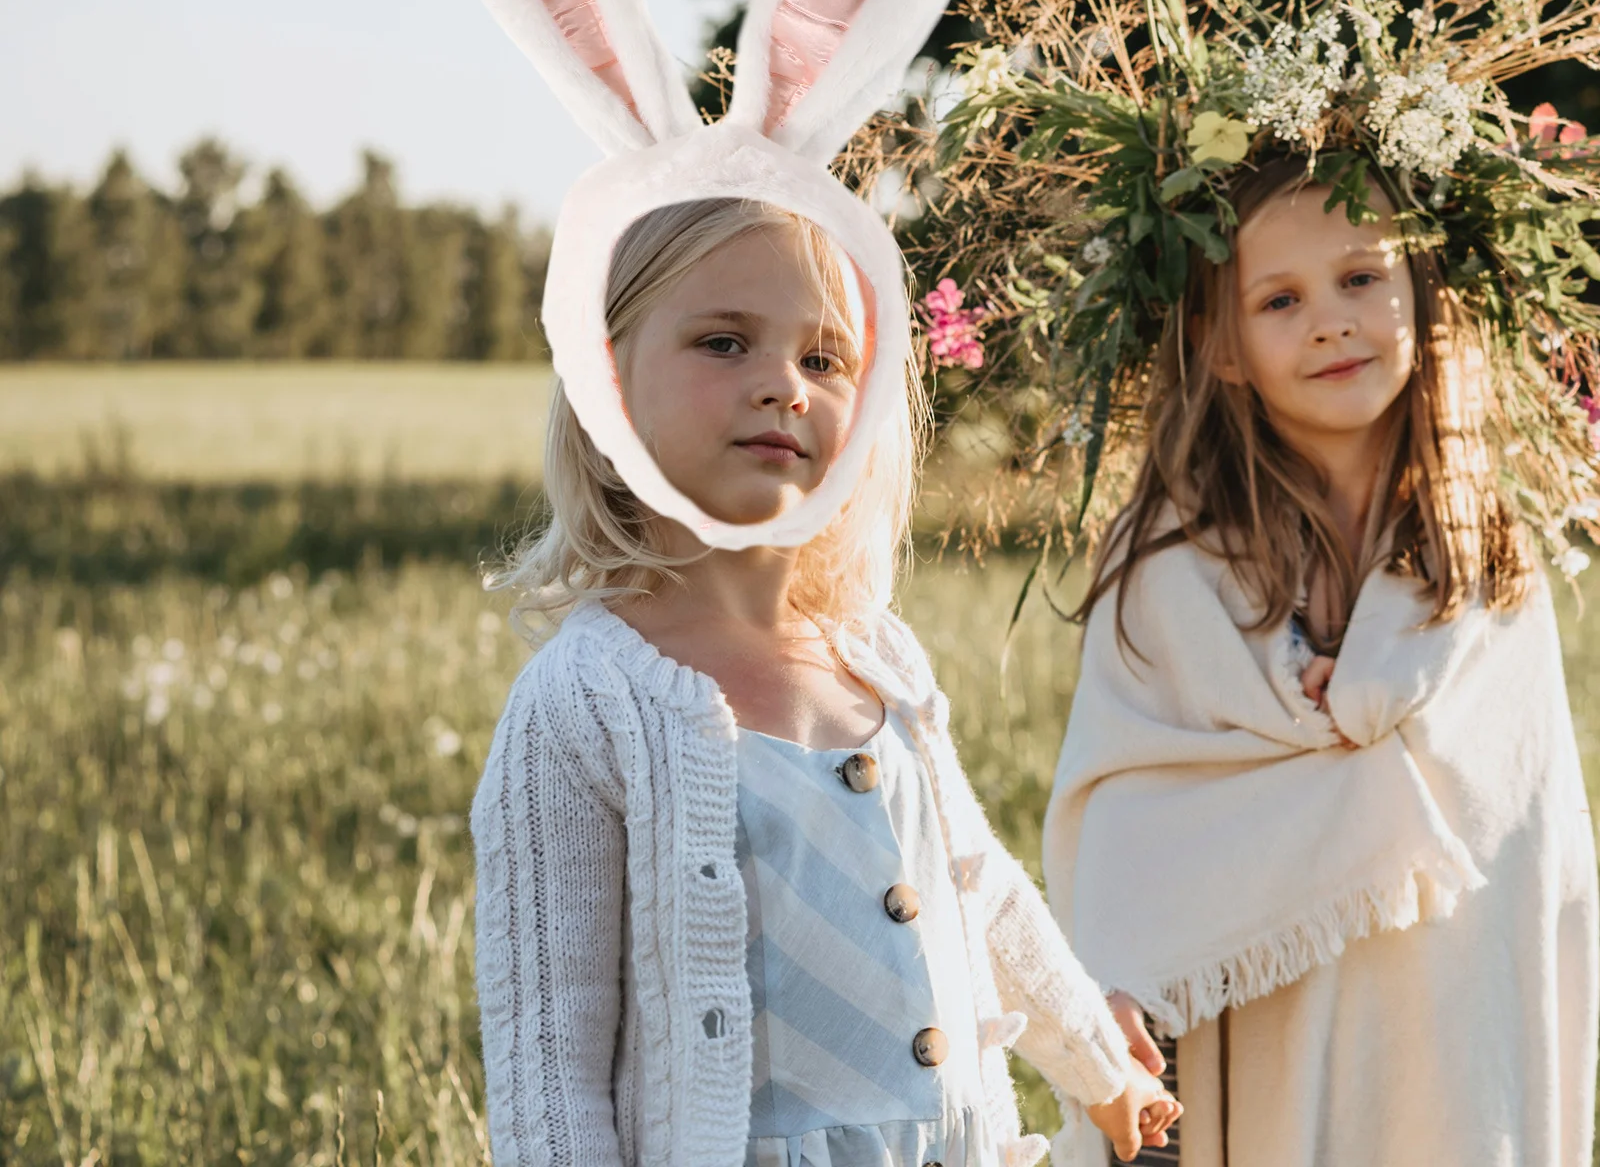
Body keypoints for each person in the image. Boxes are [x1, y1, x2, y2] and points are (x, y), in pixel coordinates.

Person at [472, 196, 1182, 1166]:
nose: (782, 387)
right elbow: (548, 1056)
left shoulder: (876, 657)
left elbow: (981, 892)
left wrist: (1104, 1068)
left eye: (823, 359)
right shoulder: (588, 701)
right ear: (608, 382)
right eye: (723, 342)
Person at [1043, 156, 1599, 1165]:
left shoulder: (1476, 550)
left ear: (1419, 296)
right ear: (1221, 348)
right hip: (1255, 1031)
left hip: (1442, 1019)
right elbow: (1127, 804)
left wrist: (1374, 703)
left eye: (1359, 278)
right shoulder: (1168, 564)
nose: (1331, 321)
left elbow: (1525, 841)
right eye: (1280, 299)